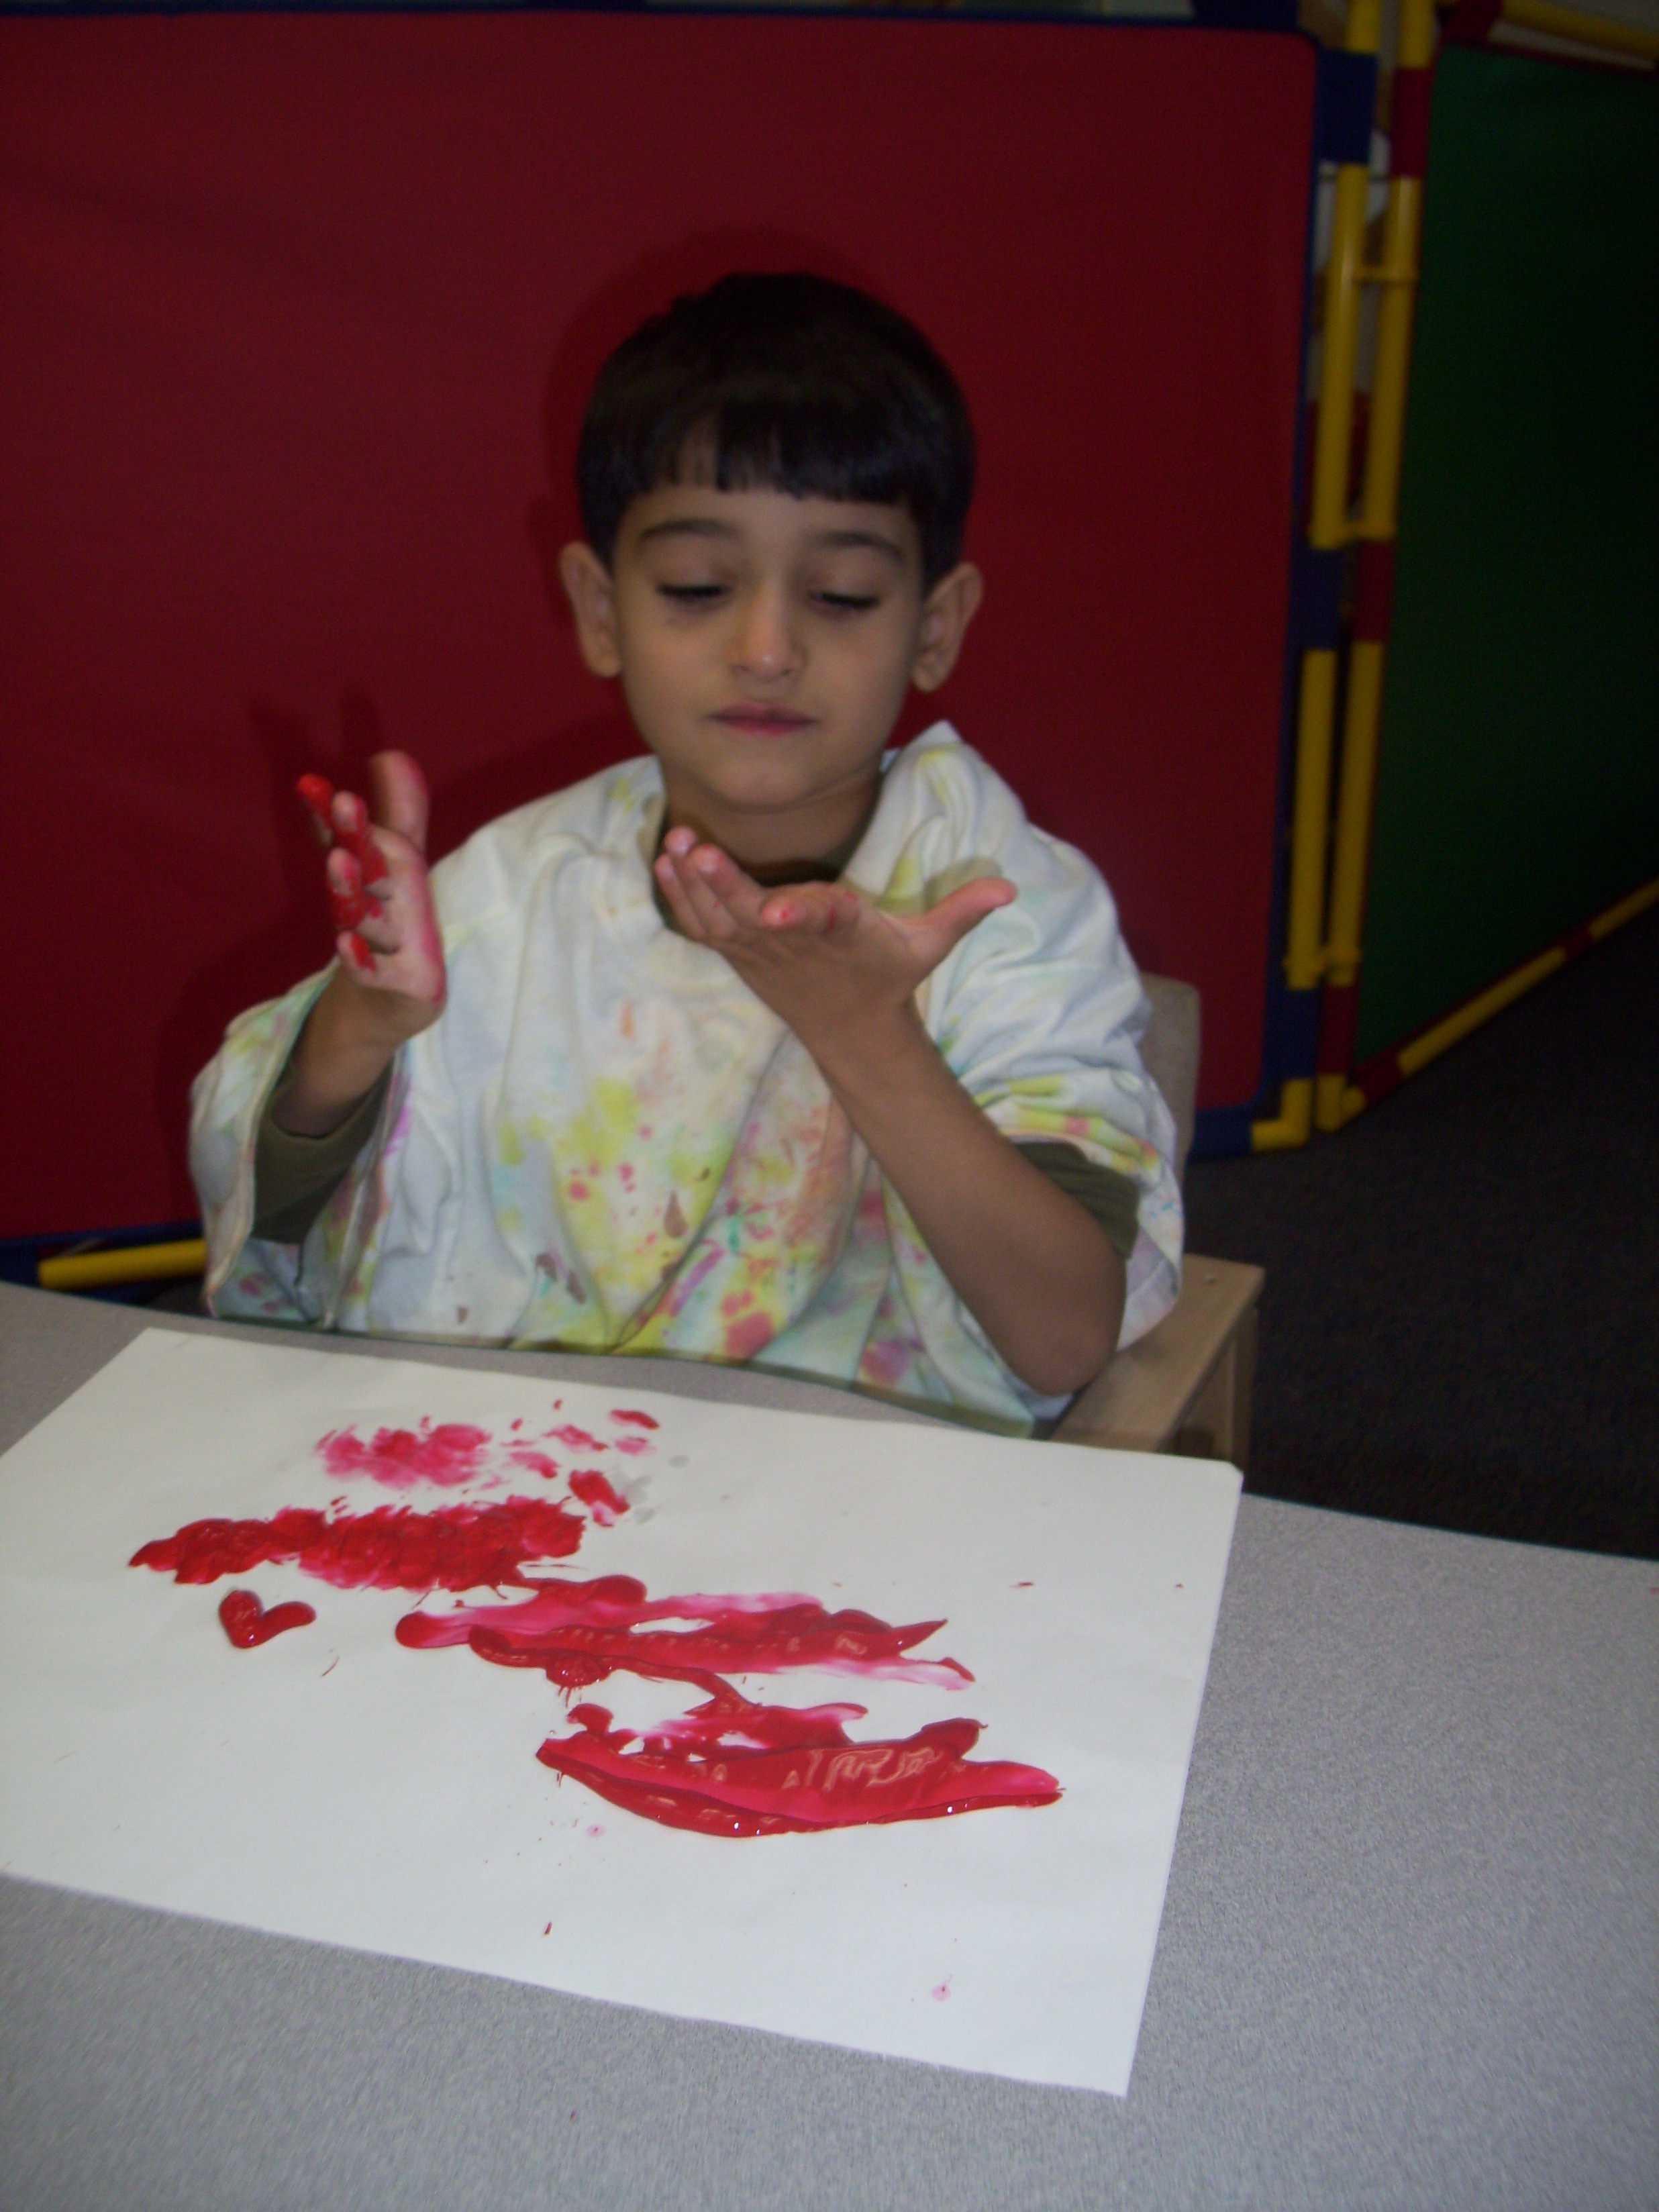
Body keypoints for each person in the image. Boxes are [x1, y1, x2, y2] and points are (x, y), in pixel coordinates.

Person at [192, 272, 1182, 1434]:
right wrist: (361, 1027)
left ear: (936, 625)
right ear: (600, 608)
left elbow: (1064, 1335)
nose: (766, 647)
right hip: (512, 1463)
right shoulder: (508, 896)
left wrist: (863, 1031)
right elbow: (275, 1229)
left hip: (869, 1495)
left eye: (842, 595)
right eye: (699, 587)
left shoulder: (998, 903)